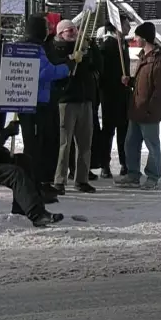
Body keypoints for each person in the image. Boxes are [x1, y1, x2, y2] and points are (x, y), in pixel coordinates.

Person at [0, 79, 64, 227]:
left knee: (24, 160)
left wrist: (4, 151)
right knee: (15, 173)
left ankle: (22, 210)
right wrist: (5, 133)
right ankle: (37, 215)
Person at [17, 14, 73, 201]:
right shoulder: (31, 48)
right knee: (36, 146)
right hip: (35, 103)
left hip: (33, 101)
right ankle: (35, 186)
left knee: (40, 144)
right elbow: (45, 71)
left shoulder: (27, 46)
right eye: (45, 27)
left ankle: (40, 183)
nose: (48, 30)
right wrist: (68, 67)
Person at [51, 20, 102, 194]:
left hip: (85, 99)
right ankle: (60, 180)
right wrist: (70, 59)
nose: (73, 33)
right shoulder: (55, 48)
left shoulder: (82, 47)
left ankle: (82, 178)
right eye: (69, 30)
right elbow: (56, 68)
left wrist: (91, 47)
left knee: (85, 142)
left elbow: (97, 67)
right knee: (64, 143)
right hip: (66, 100)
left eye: (75, 29)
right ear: (60, 33)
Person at [115, 22, 161, 189]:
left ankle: (152, 177)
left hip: (149, 112)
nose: (135, 39)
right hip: (136, 110)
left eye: (137, 36)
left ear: (144, 38)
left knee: (152, 144)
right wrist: (130, 81)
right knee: (130, 143)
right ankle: (133, 174)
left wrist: (150, 107)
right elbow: (142, 83)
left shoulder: (158, 60)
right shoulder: (143, 58)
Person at [98, 16, 132, 178]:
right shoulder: (107, 46)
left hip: (123, 94)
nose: (129, 27)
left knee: (124, 130)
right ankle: (105, 164)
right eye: (126, 25)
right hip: (110, 95)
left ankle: (125, 163)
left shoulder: (123, 44)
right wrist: (116, 79)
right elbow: (103, 73)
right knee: (109, 130)